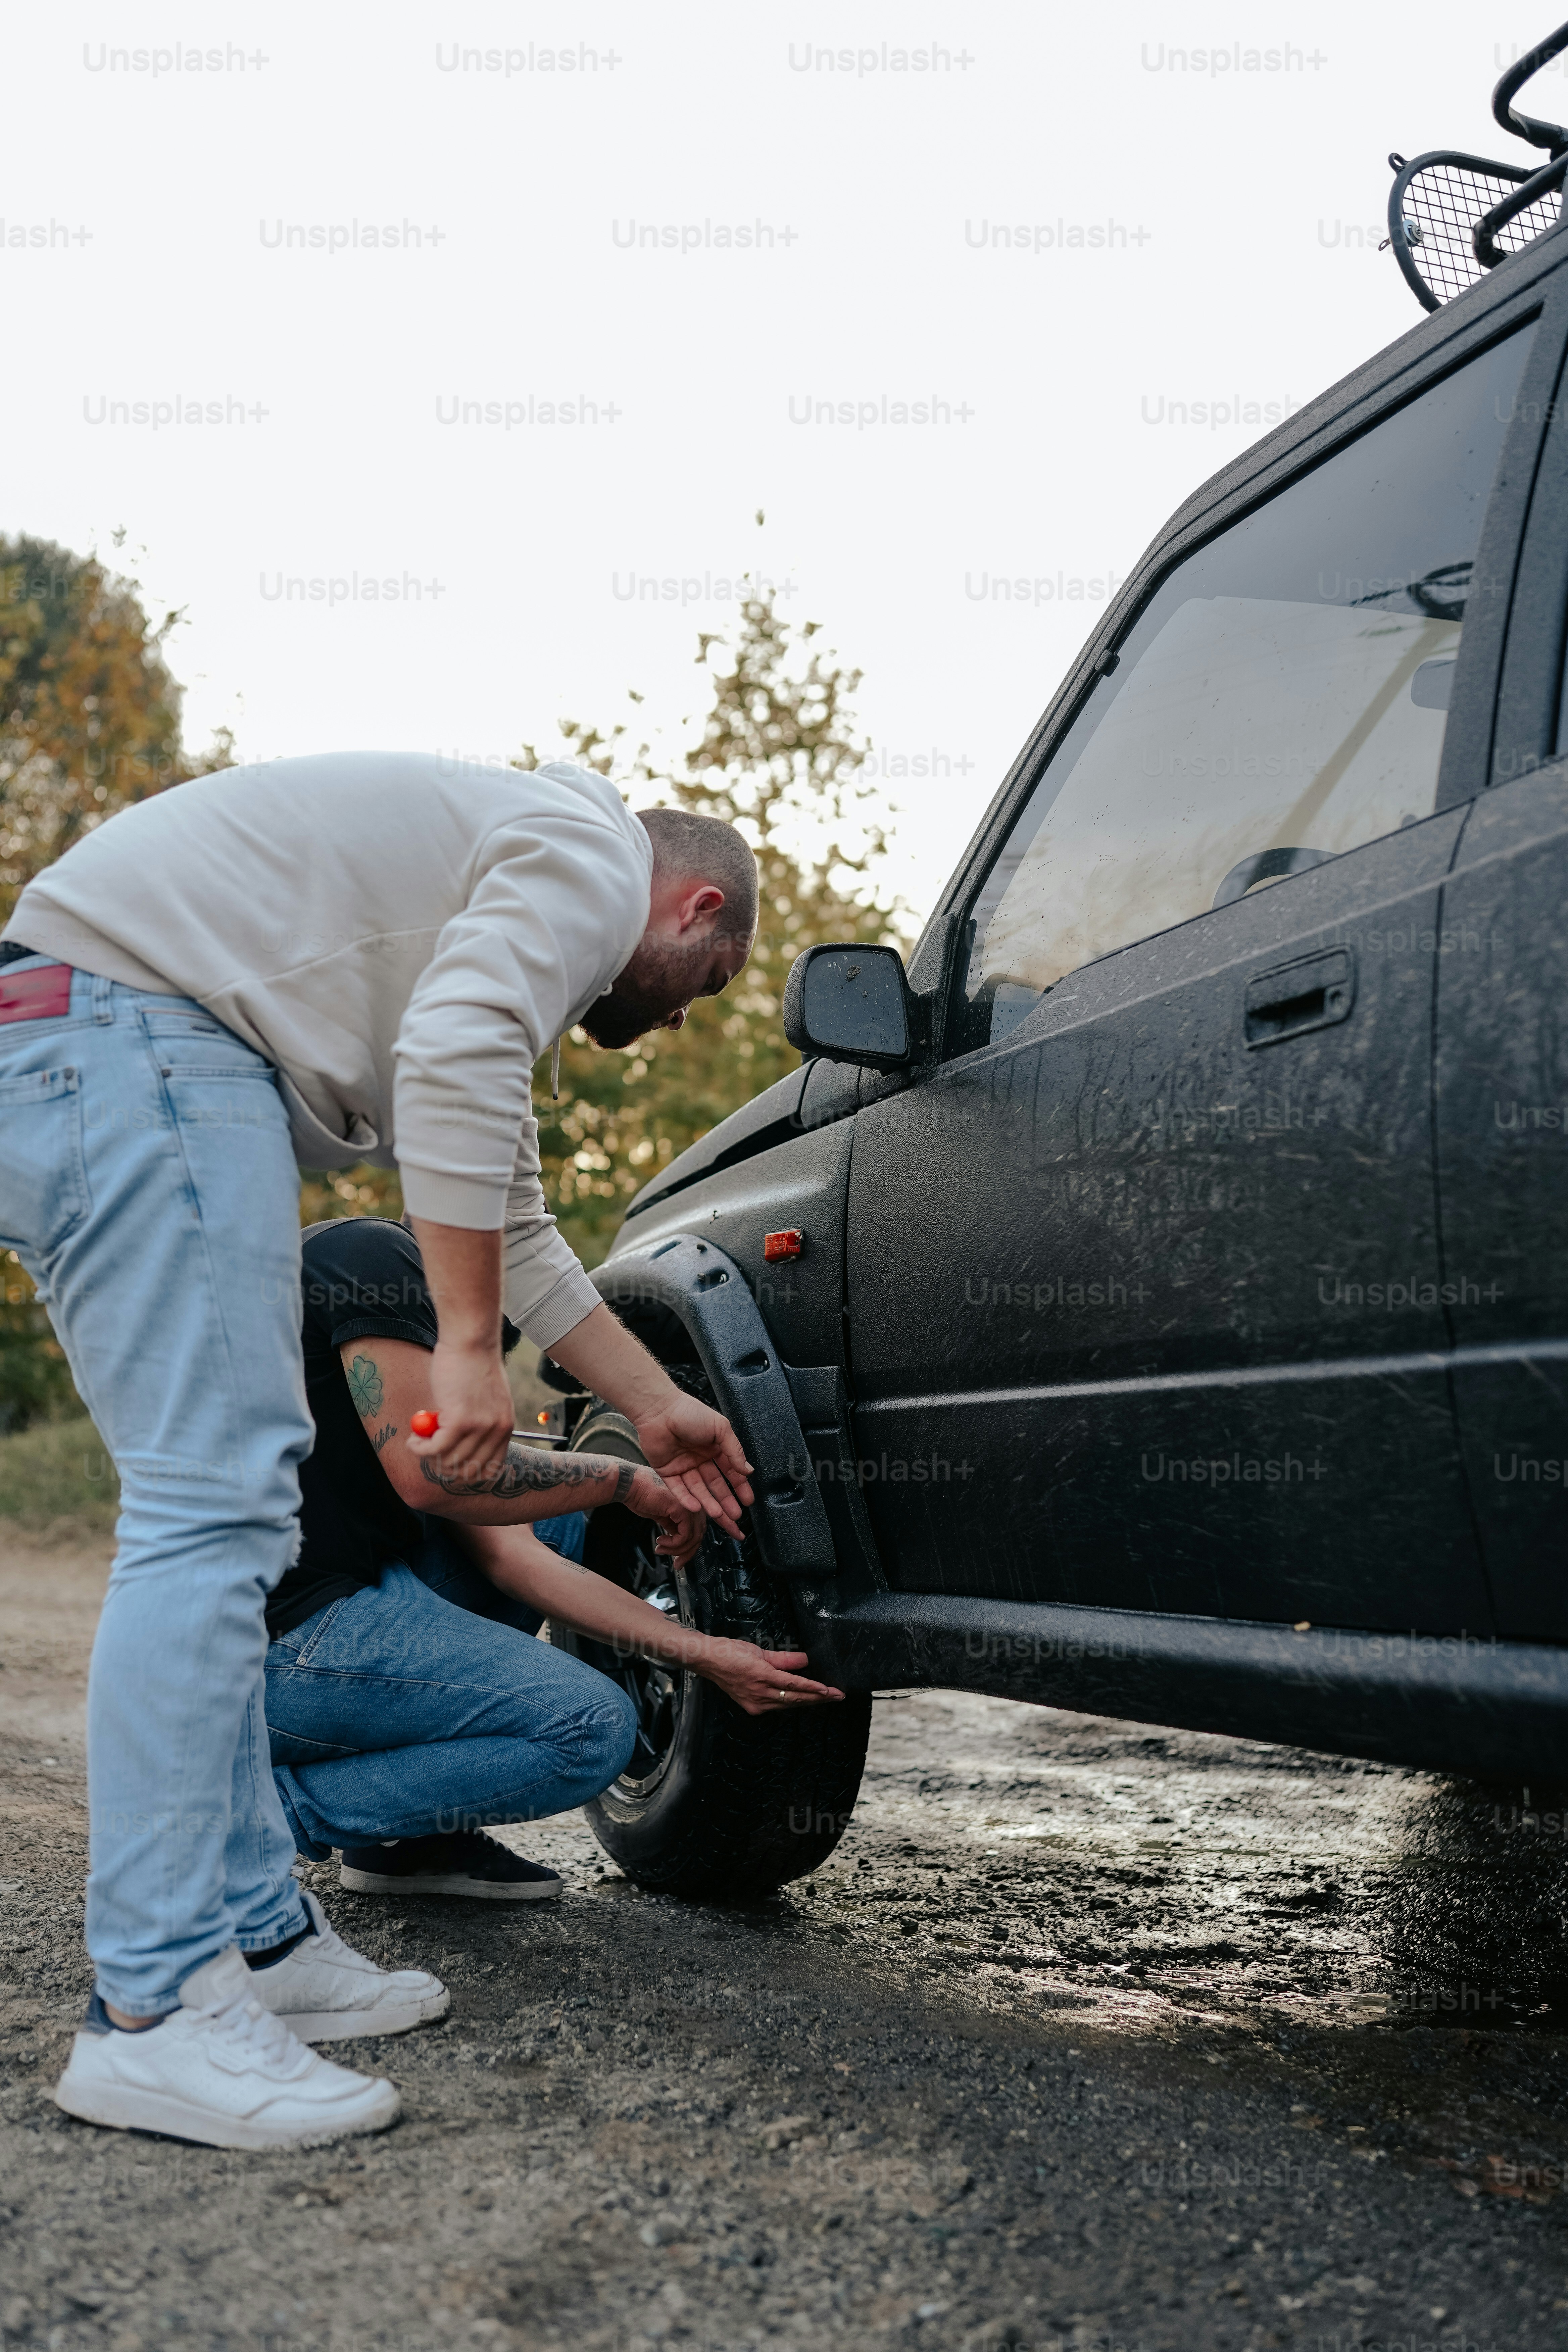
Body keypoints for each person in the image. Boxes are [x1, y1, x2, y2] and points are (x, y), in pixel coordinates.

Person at [0, 752, 768, 2151]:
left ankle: (254, 1933)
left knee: (219, 1509)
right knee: (213, 1515)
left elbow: (515, 1215)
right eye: (704, 986)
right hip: (136, 1036)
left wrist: (652, 1399)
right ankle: (159, 2013)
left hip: (104, 1035)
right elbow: (462, 1048)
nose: (668, 1023)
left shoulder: (493, 886)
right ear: (691, 905)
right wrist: (469, 1347)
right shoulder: (591, 856)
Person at [263, 1216, 840, 1903]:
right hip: (264, 1653)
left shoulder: (424, 1306)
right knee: (589, 1731)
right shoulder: (373, 1259)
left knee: (555, 1514)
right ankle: (263, 1817)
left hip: (331, 1594)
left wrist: (700, 1651)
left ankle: (396, 1839)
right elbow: (437, 1475)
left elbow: (515, 1558)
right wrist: (626, 1480)